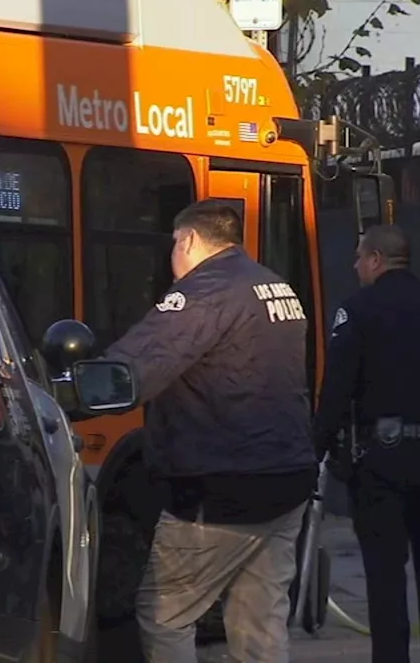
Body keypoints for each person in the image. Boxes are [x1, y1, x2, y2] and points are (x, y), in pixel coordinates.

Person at [99, 199, 316, 663]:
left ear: (189, 240)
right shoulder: (274, 285)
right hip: (287, 477)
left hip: (222, 487)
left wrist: (79, 388)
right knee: (259, 620)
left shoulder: (205, 292)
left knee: (166, 613)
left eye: (174, 246)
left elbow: (138, 364)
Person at [313, 224, 420, 663]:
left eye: (358, 258)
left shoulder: (357, 310)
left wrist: (317, 452)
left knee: (385, 582)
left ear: (374, 260)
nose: (354, 267)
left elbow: (336, 392)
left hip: (380, 466)